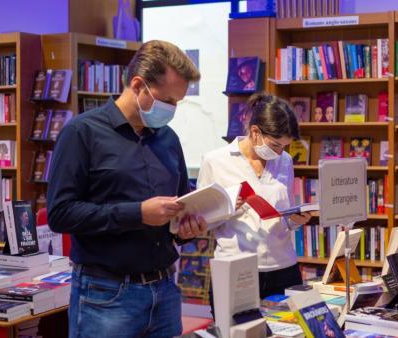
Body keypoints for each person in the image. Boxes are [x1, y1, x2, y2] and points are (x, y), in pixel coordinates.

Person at [47, 40, 207, 338]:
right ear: (138, 85)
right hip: (106, 295)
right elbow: (60, 214)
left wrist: (185, 227)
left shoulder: (168, 138)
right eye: (168, 100)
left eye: (177, 103)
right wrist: (138, 214)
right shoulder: (81, 133)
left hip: (165, 290)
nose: (172, 110)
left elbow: (180, 201)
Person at [198, 93, 311, 301]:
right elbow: (201, 222)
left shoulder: (285, 160)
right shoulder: (215, 161)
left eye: (284, 146)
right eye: (276, 145)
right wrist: (227, 207)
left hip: (283, 268)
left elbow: (284, 214)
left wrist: (295, 221)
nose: (280, 152)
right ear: (255, 132)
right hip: (236, 269)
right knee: (235, 332)